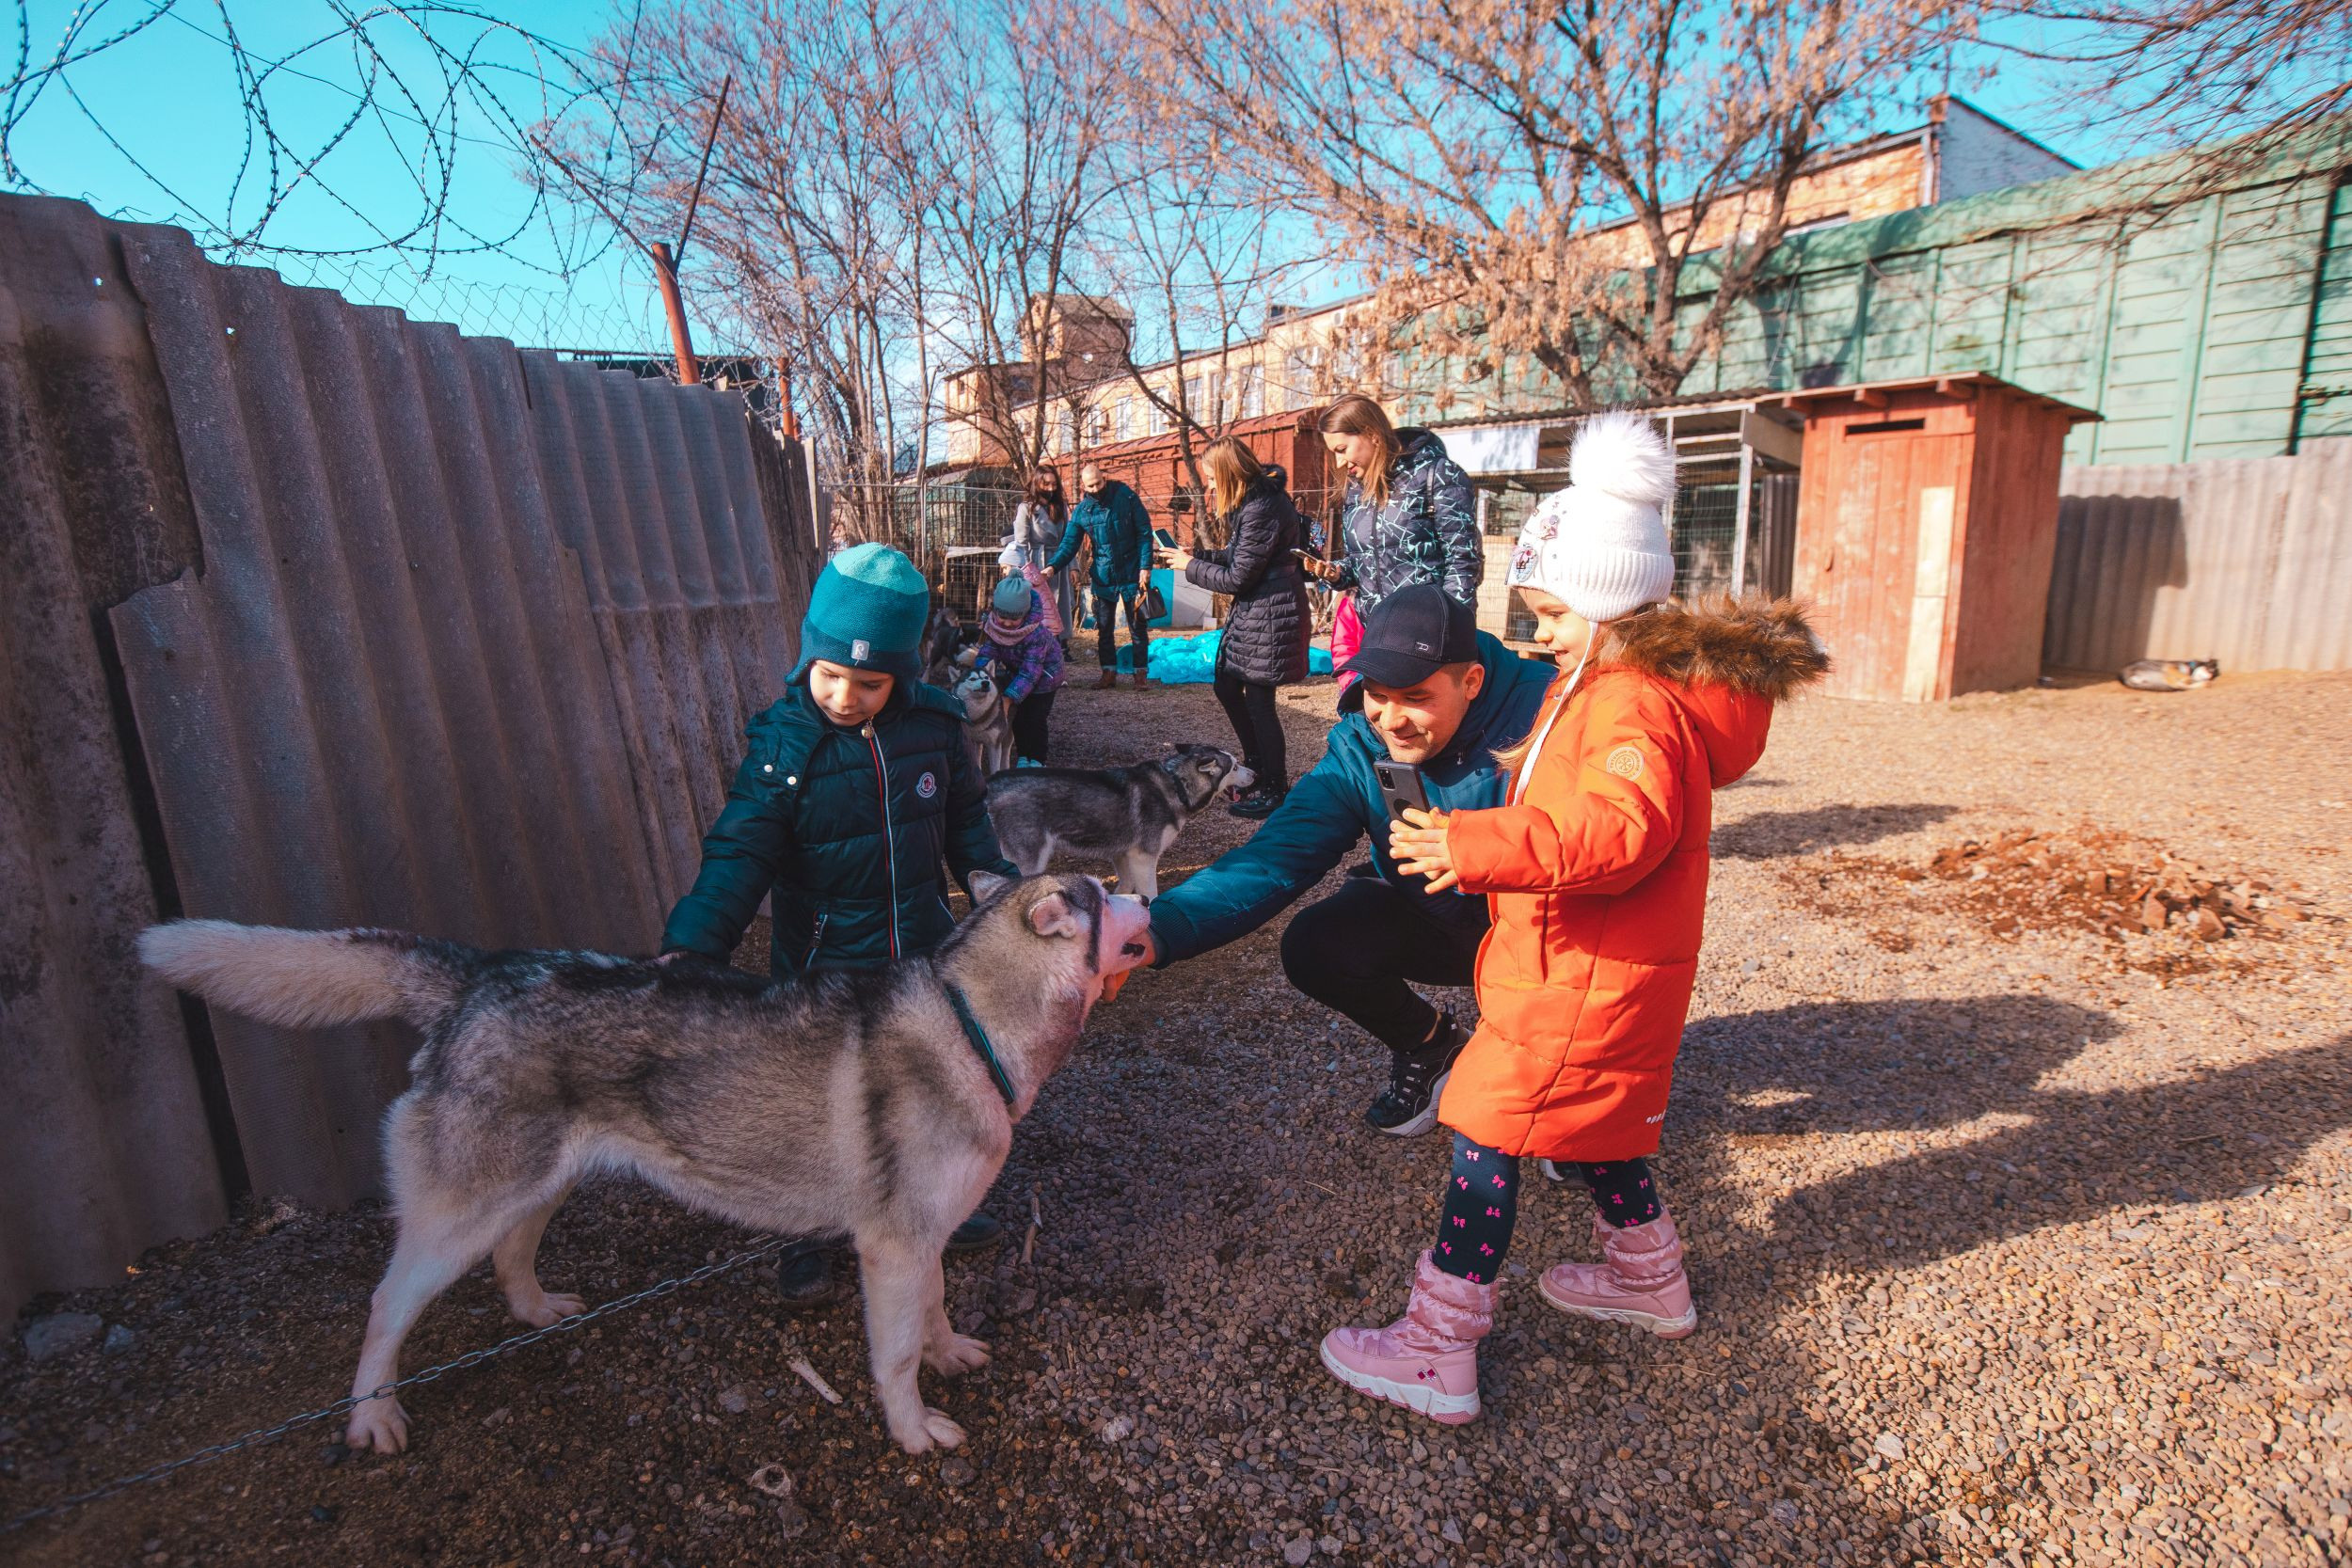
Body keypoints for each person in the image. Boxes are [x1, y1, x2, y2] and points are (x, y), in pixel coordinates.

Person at [1317, 415, 1827, 1425]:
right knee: (1592, 1124)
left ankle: (1437, 1342)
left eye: (1550, 611)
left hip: (1582, 972)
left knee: (1487, 1125)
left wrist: (1475, 846)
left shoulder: (1628, 700)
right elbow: (1584, 801)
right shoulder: (1602, 685)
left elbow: (1620, 831)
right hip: (1586, 967)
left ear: (1603, 600)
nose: (1539, 632)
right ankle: (1651, 1279)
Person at [660, 542, 1022, 1305]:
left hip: (920, 950)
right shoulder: (785, 743)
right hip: (823, 960)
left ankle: (935, 1208)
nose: (846, 695)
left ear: (903, 674)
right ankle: (807, 1230)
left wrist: (998, 891)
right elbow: (739, 850)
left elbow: (965, 822)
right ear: (807, 657)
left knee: (926, 1085)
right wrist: (693, 946)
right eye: (829, 673)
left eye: (869, 680)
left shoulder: (935, 726)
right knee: (818, 1098)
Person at [1132, 582, 1556, 1133]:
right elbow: (1279, 853)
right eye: (1378, 693)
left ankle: (1567, 1088)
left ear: (1471, 681)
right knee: (1317, 943)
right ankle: (1432, 1046)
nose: (1392, 719)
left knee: (1540, 1100)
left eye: (1417, 697)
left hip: (1548, 935)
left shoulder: (1553, 716)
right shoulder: (1363, 740)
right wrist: (1153, 928)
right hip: (1439, 916)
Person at [1156, 437, 1311, 819]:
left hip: (1271, 614)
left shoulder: (1263, 507)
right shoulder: (1253, 504)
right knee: (1226, 685)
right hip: (1257, 613)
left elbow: (1238, 577)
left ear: (1228, 474)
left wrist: (1189, 568)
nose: (1209, 486)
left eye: (1211, 478)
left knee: (1260, 701)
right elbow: (1237, 557)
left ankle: (1276, 786)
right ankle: (1256, 769)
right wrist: (1195, 556)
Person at [1305, 393, 1482, 619]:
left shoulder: (1437, 474)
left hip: (1428, 629)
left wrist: (1452, 628)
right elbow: (1361, 563)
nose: (1339, 462)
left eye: (1342, 449)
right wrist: (1337, 573)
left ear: (1371, 434)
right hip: (1376, 633)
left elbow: (1462, 563)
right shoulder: (1356, 489)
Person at [1049, 462, 1155, 690]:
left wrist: (1145, 566)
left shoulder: (1126, 496)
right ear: (1083, 486)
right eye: (1090, 486)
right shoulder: (1082, 511)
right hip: (1104, 576)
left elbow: (1144, 532)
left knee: (1138, 628)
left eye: (1098, 483)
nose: (1095, 489)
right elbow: (1069, 544)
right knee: (1104, 628)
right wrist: (1052, 567)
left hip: (1132, 573)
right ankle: (1108, 673)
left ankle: (1140, 676)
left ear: (1104, 478)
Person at [975, 575, 1065, 766]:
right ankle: (1023, 756)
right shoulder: (994, 628)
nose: (1007, 623)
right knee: (1019, 719)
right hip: (1019, 674)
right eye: (1003, 617)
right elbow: (989, 652)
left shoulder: (1036, 635)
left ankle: (1038, 760)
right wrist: (978, 673)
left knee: (1035, 718)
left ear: (1024, 614)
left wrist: (1008, 697)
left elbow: (1031, 671)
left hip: (1045, 679)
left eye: (1014, 618)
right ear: (996, 611)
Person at [1011, 468, 1075, 640]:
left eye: (1054, 484)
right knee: (1039, 604)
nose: (1050, 488)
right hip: (1036, 562)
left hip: (1058, 561)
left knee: (1060, 603)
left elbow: (1069, 539)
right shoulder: (1026, 508)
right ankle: (1037, 642)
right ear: (1036, 483)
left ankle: (1061, 642)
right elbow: (1021, 542)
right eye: (1046, 483)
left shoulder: (1060, 507)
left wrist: (1073, 567)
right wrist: (1026, 570)